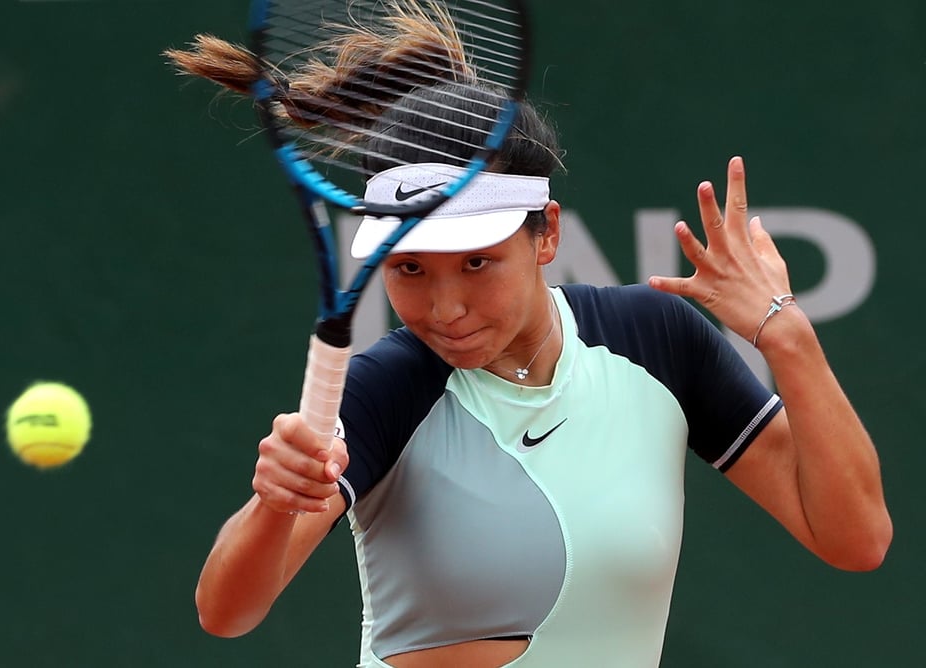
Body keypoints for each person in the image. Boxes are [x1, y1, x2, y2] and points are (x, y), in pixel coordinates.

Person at [165, 7, 892, 667]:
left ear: (547, 235)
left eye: (478, 262)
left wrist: (786, 335)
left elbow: (855, 539)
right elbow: (228, 613)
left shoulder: (654, 341)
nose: (445, 307)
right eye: (410, 267)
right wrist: (273, 503)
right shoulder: (388, 388)